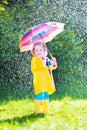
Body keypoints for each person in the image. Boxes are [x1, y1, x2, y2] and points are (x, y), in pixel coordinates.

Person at [31, 41, 57, 114]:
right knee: (39, 95)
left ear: (44, 50)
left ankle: (46, 111)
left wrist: (54, 63)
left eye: (40, 50)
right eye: (36, 50)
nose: (38, 52)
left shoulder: (46, 59)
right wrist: (49, 63)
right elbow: (41, 65)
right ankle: (37, 111)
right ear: (34, 51)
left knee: (45, 95)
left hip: (46, 80)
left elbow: (50, 68)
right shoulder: (35, 59)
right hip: (38, 80)